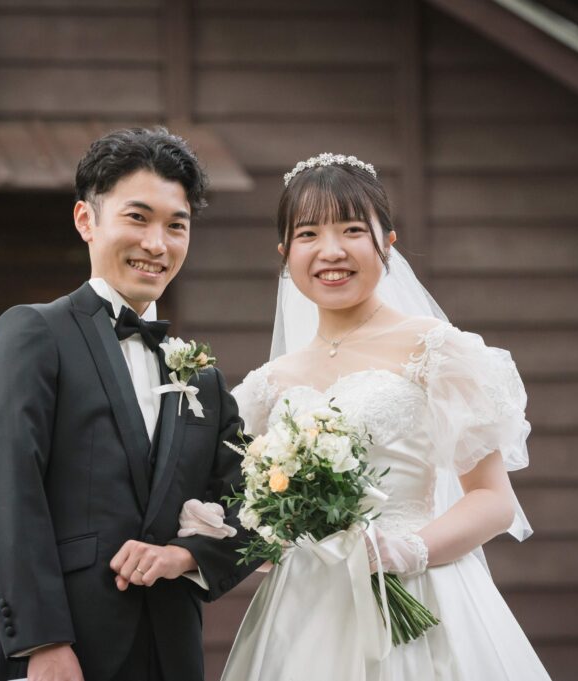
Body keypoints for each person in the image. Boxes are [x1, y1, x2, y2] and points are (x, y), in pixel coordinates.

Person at [179, 153, 552, 680]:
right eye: (308, 234)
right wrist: (222, 528)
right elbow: (260, 524)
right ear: (285, 254)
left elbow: (493, 501)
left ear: (388, 242)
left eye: (352, 230)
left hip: (422, 590)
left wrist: (408, 551)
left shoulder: (438, 350)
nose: (331, 251)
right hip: (302, 612)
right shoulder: (268, 386)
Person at [0, 127, 254, 681]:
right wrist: (43, 644)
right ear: (86, 220)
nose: (157, 244)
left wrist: (186, 555)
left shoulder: (203, 378)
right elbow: (9, 493)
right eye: (138, 218)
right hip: (66, 650)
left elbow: (255, 510)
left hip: (172, 653)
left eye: (176, 226)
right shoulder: (35, 334)